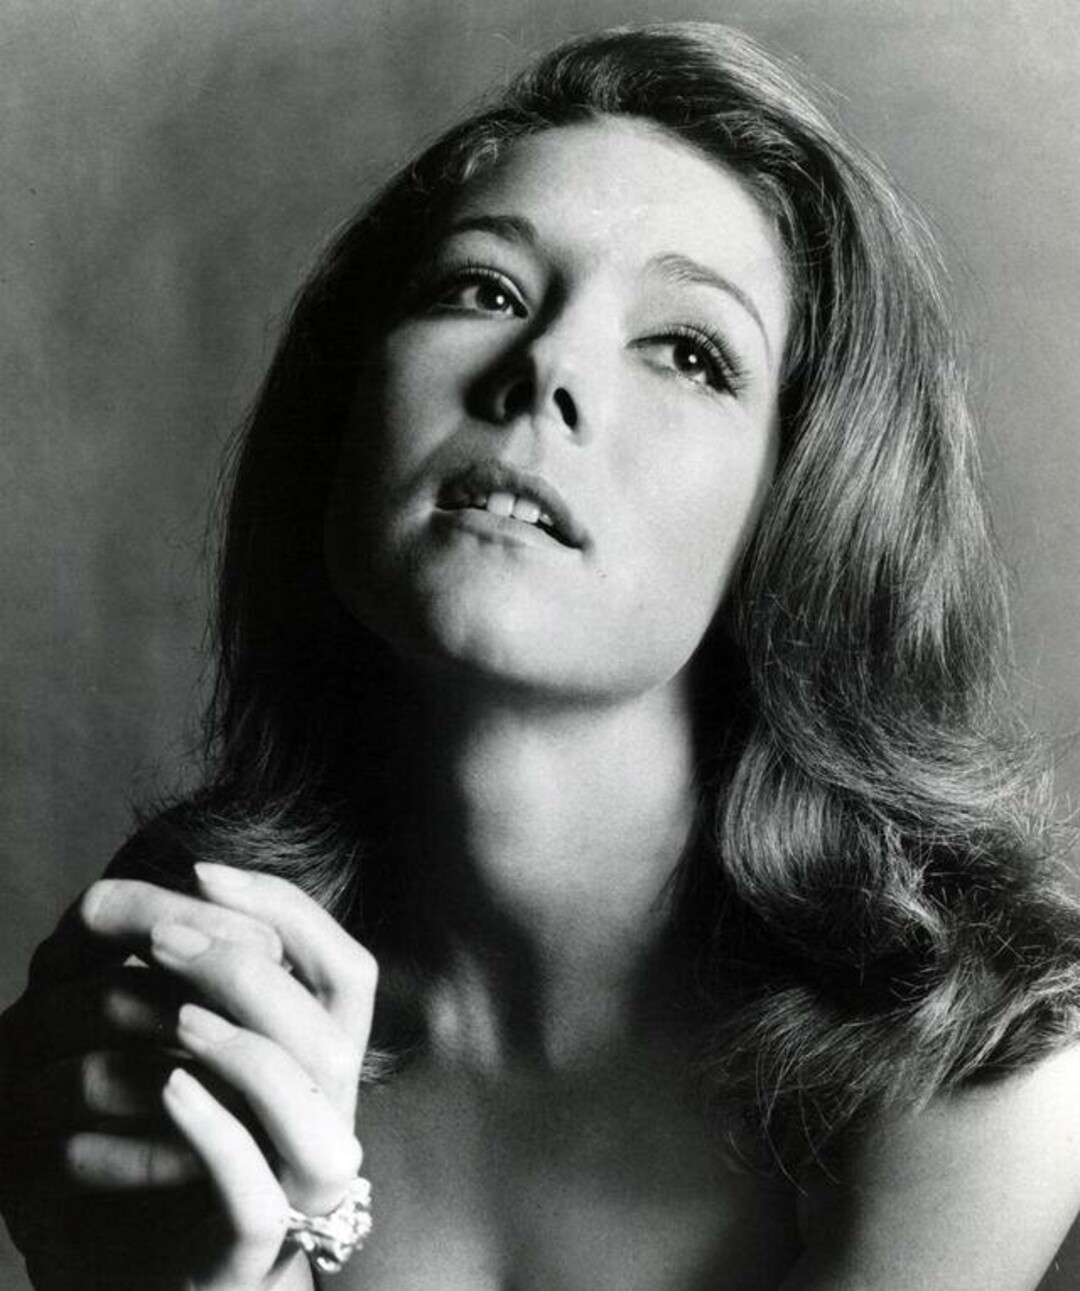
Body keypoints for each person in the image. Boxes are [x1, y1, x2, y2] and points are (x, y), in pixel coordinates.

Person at [3, 19, 1080, 1291]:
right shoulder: (200, 949)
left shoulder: (967, 1041)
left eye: (691, 353)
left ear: (803, 513)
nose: (546, 368)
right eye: (484, 289)